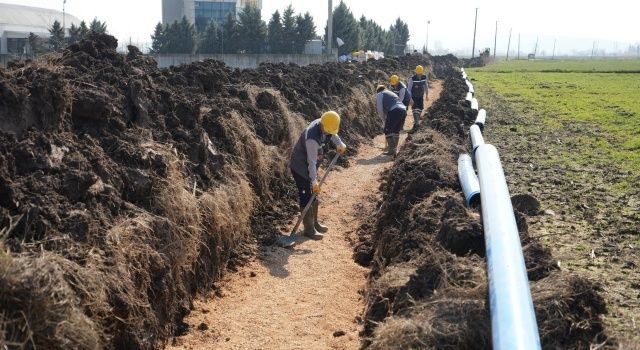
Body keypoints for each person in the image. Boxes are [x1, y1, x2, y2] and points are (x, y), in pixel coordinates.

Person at [289, 111, 347, 239]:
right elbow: (311, 161)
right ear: (322, 125)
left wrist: (339, 143)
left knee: (314, 194)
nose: (328, 133)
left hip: (310, 166)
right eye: (327, 131)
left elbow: (333, 133)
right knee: (306, 194)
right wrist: (314, 181)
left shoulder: (326, 124)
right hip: (300, 167)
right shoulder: (312, 138)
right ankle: (309, 229)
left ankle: (315, 223)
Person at [376, 85, 407, 156]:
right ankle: (394, 149)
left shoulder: (380, 94)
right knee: (396, 130)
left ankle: (392, 150)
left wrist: (384, 120)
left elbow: (380, 109)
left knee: (387, 130)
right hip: (403, 110)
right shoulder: (390, 93)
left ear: (378, 91)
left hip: (395, 110)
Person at [407, 65, 429, 132]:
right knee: (415, 110)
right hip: (413, 97)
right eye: (418, 73)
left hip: (420, 96)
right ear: (416, 72)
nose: (419, 74)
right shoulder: (412, 79)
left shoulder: (424, 77)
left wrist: (427, 95)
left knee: (420, 109)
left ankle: (416, 124)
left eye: (420, 73)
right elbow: (409, 90)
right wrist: (410, 99)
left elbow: (426, 86)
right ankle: (417, 124)